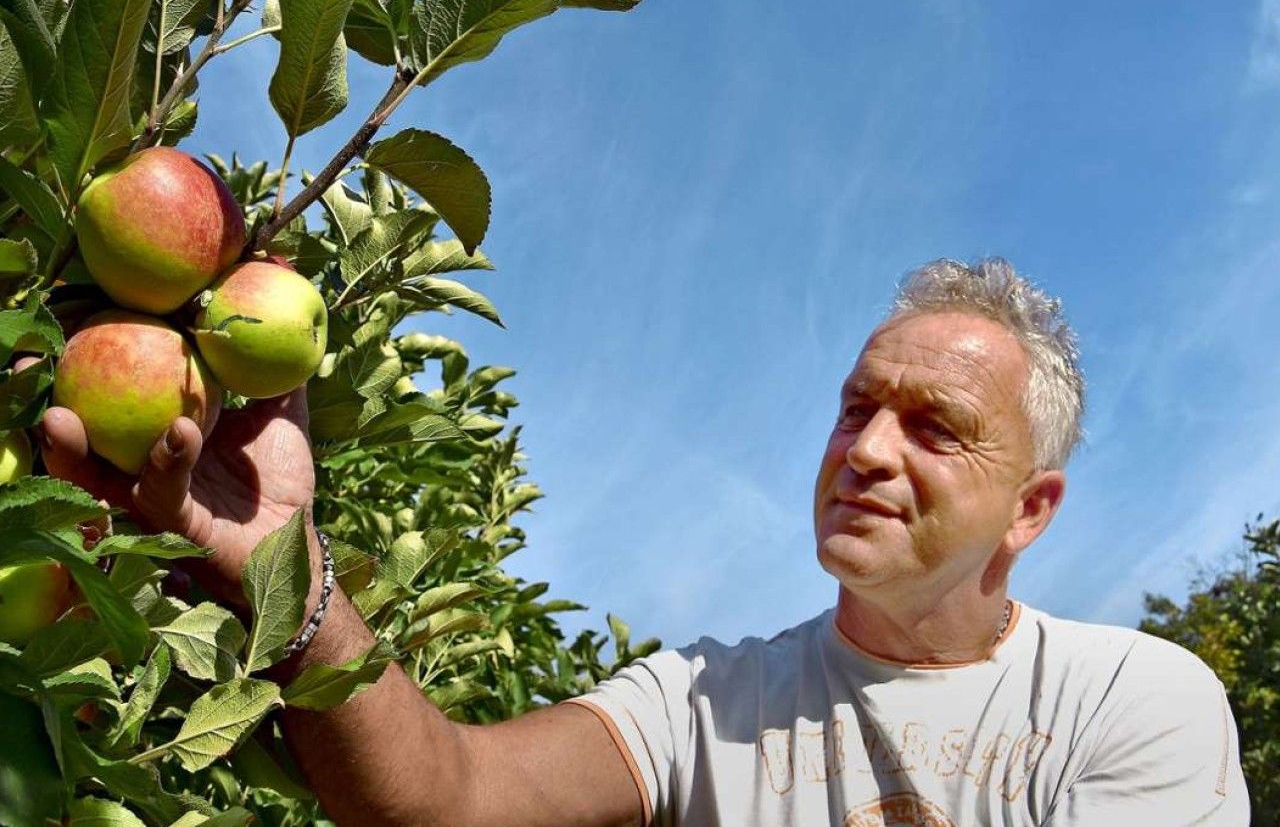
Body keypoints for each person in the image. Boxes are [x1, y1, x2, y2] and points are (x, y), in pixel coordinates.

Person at [38, 257, 1249, 827]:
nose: (867, 450)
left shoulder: (1127, 700)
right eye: (854, 406)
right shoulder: (705, 702)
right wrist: (283, 568)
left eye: (933, 427)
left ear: (1028, 511)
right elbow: (444, 801)